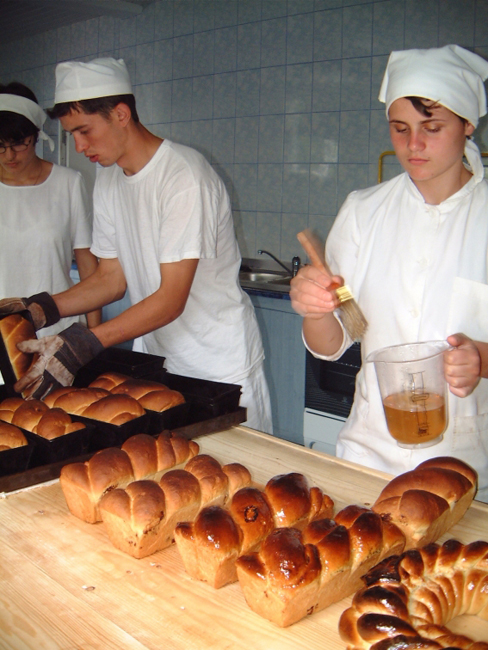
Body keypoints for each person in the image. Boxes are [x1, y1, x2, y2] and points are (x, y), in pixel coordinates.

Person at [0, 58, 272, 434]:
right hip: (159, 359)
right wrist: (40, 309)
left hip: (217, 364)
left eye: (84, 131)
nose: (79, 146)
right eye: (71, 134)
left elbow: (171, 299)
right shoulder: (109, 179)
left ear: (121, 114)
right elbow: (110, 279)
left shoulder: (183, 177)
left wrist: (83, 342)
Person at [290, 45, 488, 502]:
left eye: (431, 128)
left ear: (467, 125)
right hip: (368, 456)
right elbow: (334, 343)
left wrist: (480, 357)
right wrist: (316, 310)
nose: (413, 145)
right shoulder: (364, 211)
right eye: (400, 129)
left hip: (463, 470)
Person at [0, 81, 100, 342]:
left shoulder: (68, 183)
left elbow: (87, 265)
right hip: (2, 334)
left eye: (18, 143)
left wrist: (94, 338)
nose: (9, 155)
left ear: (36, 135)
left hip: (58, 333)